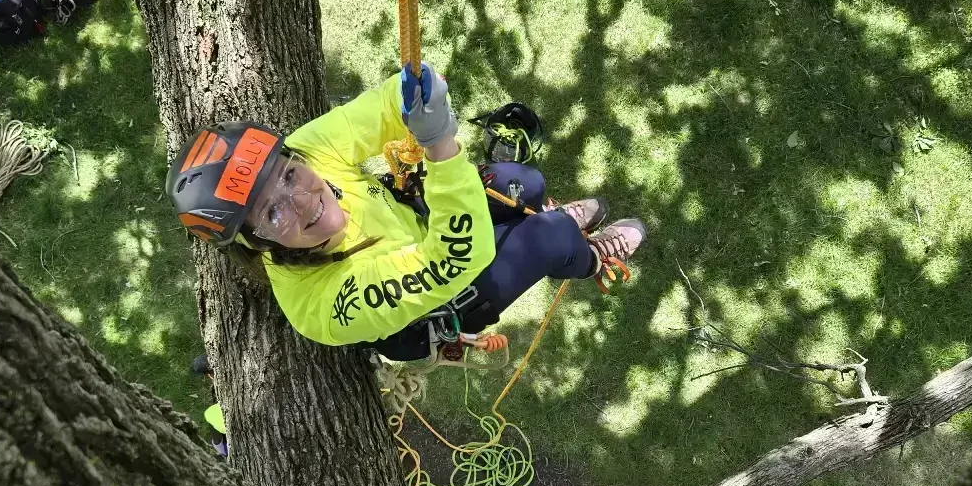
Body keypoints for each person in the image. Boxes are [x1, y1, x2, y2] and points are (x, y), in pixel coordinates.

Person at [166, 63, 646, 360]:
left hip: (417, 224)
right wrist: (438, 143)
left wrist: (418, 92)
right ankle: (589, 257)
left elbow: (383, 107)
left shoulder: (304, 150)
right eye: (272, 214)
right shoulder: (319, 309)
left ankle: (545, 219)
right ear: (256, 243)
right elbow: (452, 260)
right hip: (439, 296)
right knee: (551, 239)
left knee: (526, 184)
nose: (303, 199)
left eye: (289, 175)